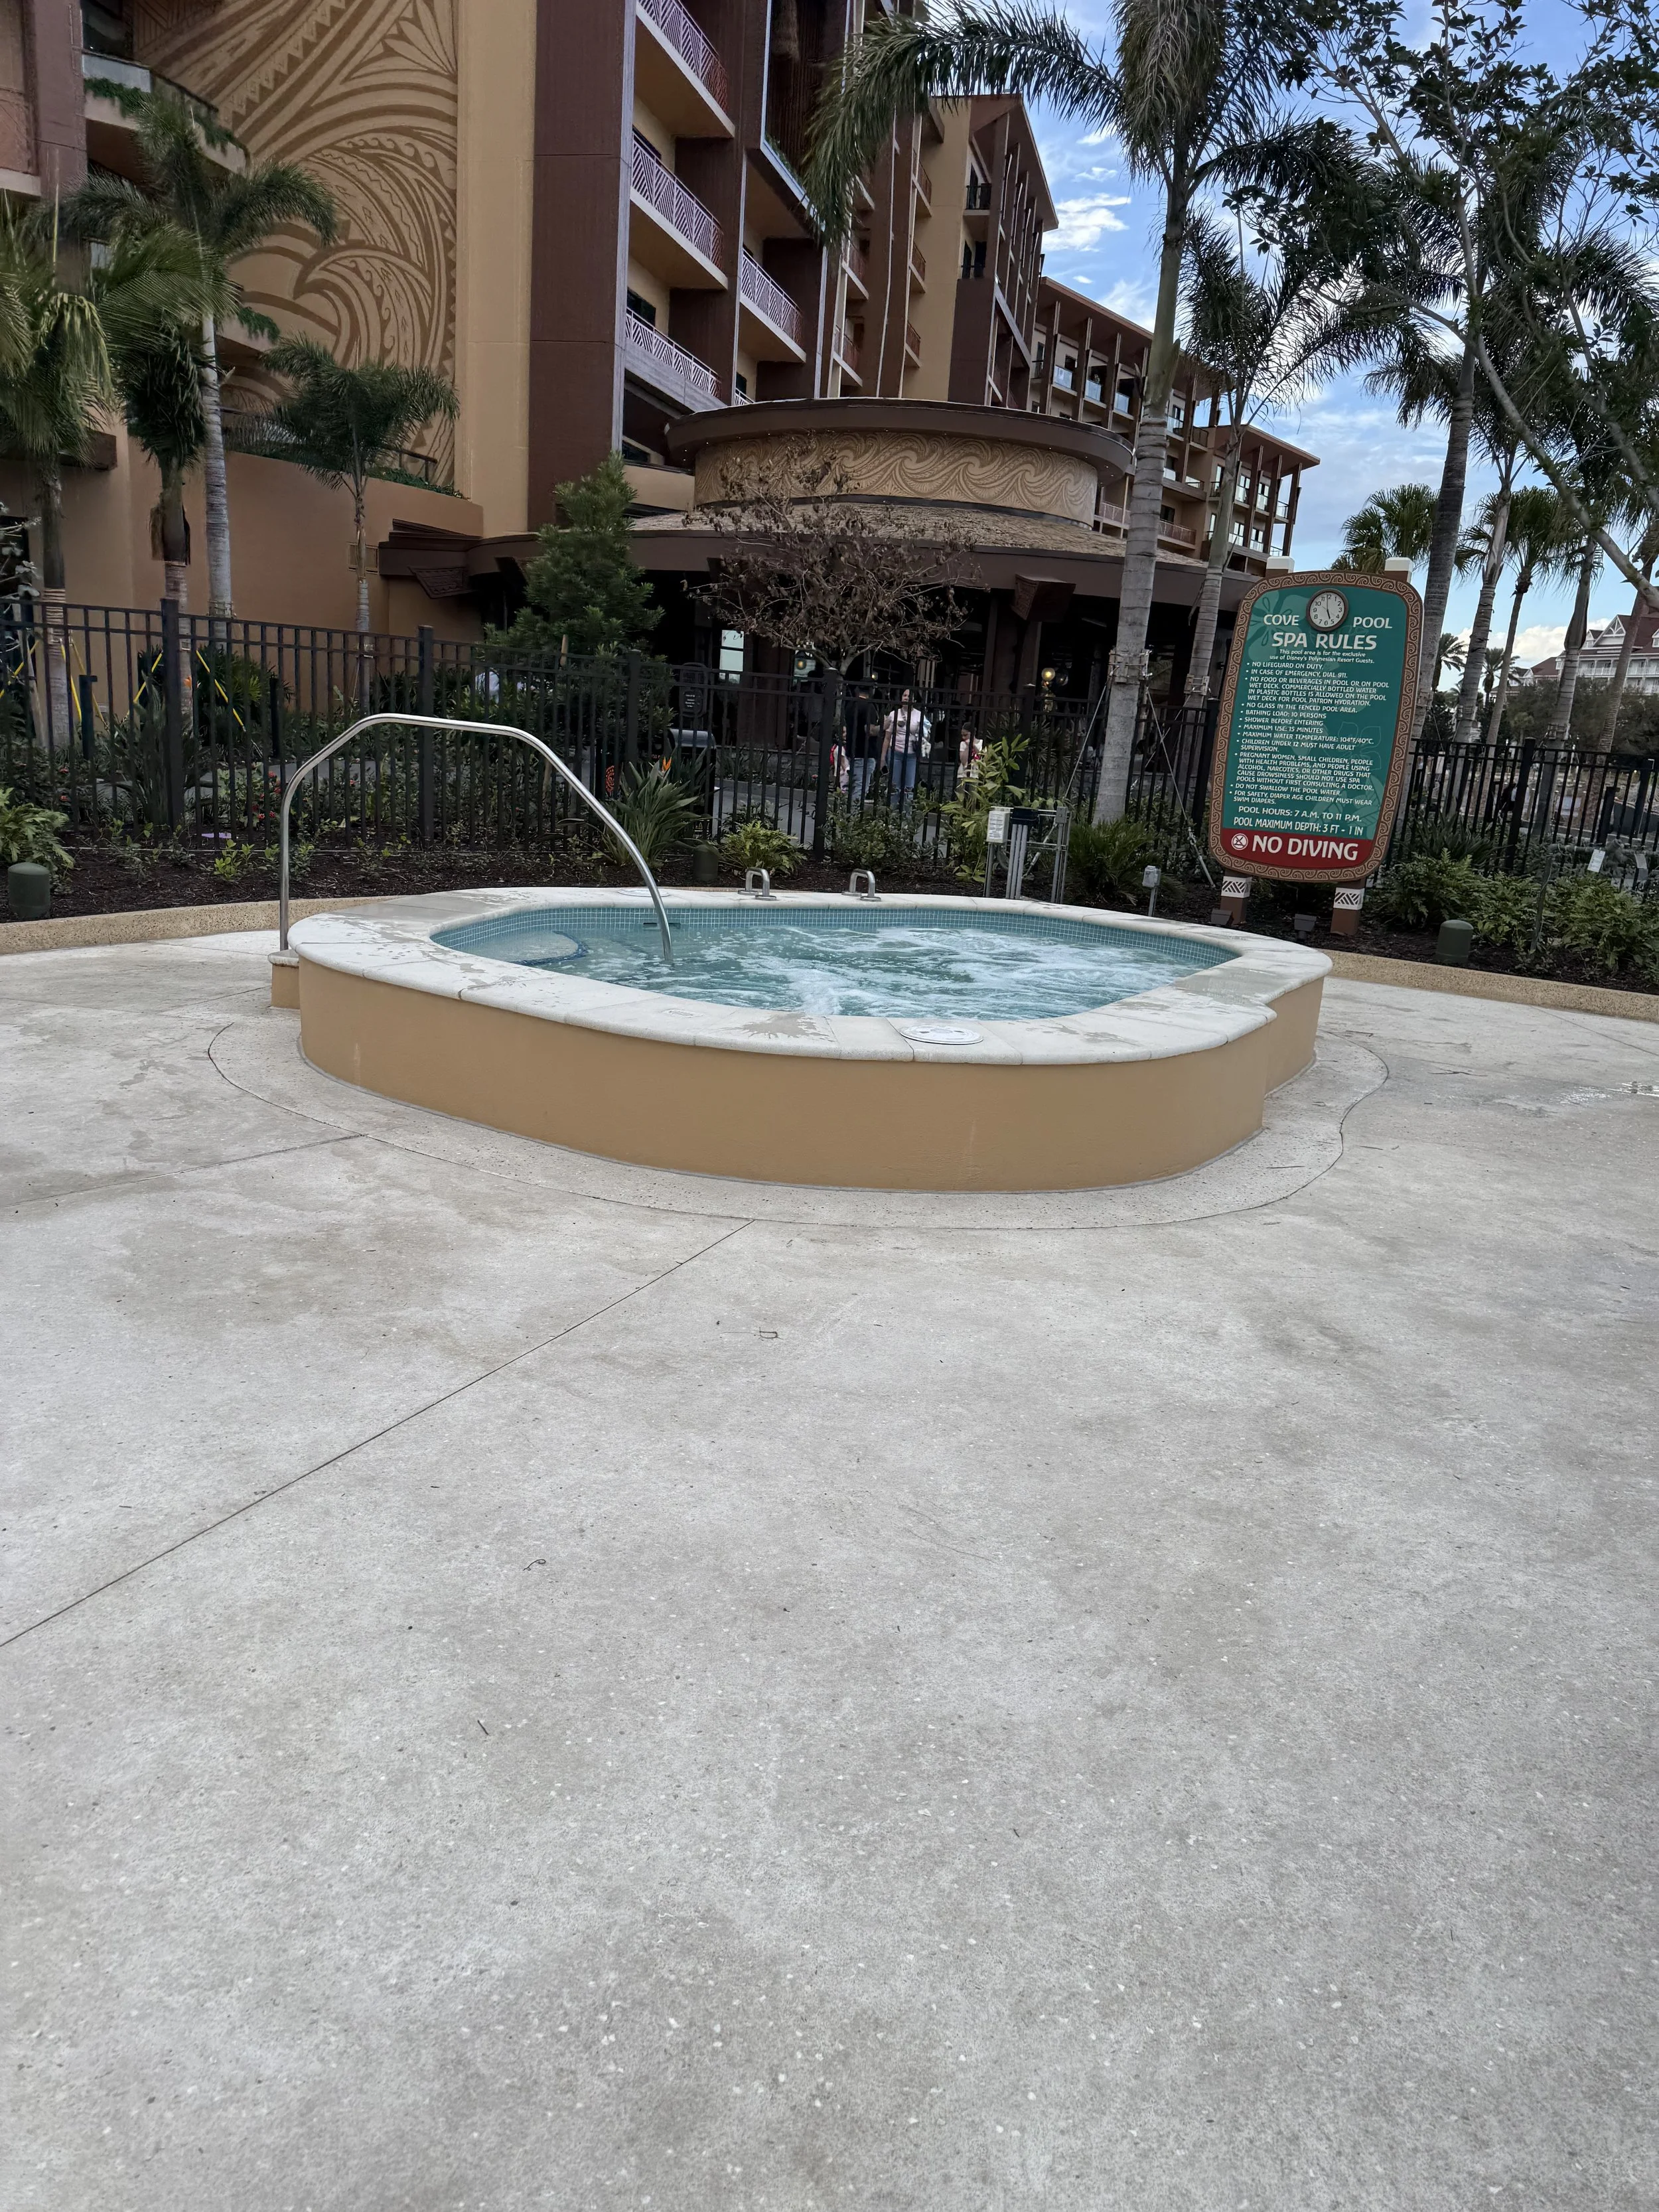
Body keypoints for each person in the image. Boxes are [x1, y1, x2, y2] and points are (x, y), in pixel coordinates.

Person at [881, 686, 930, 802]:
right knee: (894, 786)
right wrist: (883, 757)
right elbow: (887, 737)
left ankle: (906, 815)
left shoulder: (920, 716)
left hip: (912, 754)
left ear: (915, 700)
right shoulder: (894, 714)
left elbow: (926, 736)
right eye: (905, 695)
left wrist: (921, 732)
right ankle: (892, 813)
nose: (907, 698)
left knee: (909, 786)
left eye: (910, 696)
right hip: (895, 752)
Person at [843, 681, 879, 804]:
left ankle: (848, 813)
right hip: (865, 752)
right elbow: (870, 730)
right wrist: (886, 725)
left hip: (852, 750)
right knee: (861, 787)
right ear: (872, 691)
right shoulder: (869, 707)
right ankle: (853, 816)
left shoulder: (850, 705)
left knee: (853, 786)